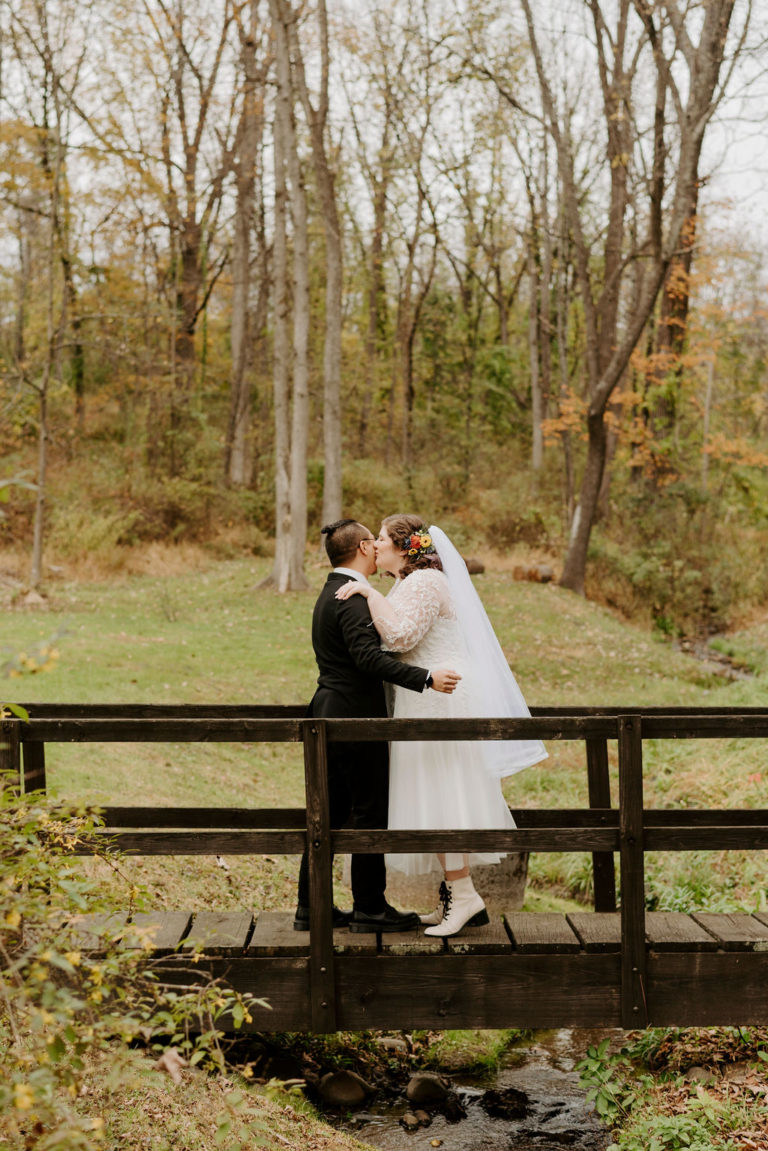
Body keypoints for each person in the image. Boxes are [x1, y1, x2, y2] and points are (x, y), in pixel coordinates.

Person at [335, 514, 547, 937]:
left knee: (445, 794)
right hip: (425, 699)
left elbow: (399, 638)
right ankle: (456, 894)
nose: (374, 545)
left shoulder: (426, 582)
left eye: (380, 538)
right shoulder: (408, 583)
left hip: (443, 700)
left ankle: (463, 894)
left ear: (404, 546)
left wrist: (368, 592)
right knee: (433, 796)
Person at [295, 518, 461, 934]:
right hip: (353, 716)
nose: (378, 547)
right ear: (365, 548)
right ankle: (369, 908)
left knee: (328, 812)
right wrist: (425, 678)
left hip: (330, 710)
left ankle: (310, 907)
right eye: (375, 541)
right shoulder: (351, 597)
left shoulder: (333, 590)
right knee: (368, 812)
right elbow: (369, 660)